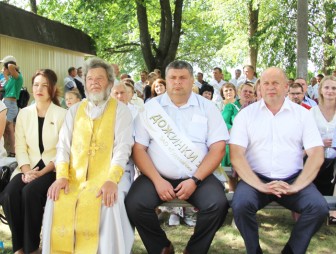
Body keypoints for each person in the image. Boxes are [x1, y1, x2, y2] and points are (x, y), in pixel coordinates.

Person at [125, 60, 229, 254]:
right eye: (173, 78)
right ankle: (162, 247)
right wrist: (157, 180)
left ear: (192, 81)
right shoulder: (150, 108)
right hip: (156, 177)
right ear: (167, 80)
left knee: (218, 204)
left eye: (183, 78)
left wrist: (195, 180)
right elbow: (139, 149)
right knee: (134, 203)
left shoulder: (207, 107)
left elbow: (218, 148)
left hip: (199, 176)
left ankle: (195, 250)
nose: (177, 82)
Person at [230, 67, 329, 254]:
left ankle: (291, 251)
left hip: (292, 179)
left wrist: (296, 186)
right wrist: (260, 186)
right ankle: (254, 251)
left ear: (286, 87)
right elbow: (236, 155)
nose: (270, 87)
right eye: (266, 83)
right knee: (241, 205)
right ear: (260, 88)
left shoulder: (303, 115)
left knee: (318, 208)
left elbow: (316, 154)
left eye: (275, 83)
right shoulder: (246, 115)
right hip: (255, 179)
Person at [42, 57, 134, 254]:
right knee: (56, 197)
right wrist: (61, 177)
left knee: (110, 202)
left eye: (100, 78)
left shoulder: (121, 111)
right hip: (75, 177)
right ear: (84, 83)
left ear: (109, 83)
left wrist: (111, 180)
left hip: (111, 174)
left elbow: (123, 148)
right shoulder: (75, 110)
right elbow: (63, 147)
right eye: (90, 79)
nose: (94, 83)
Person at [0, 69, 66, 254]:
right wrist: (27, 171)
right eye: (36, 84)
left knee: (30, 193)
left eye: (44, 85)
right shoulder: (24, 113)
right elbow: (20, 147)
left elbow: (63, 150)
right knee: (9, 194)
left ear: (52, 89)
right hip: (26, 166)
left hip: (51, 169)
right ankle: (19, 247)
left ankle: (31, 248)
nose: (39, 88)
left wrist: (40, 173)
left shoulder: (62, 115)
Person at [310, 76, 336, 209]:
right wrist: (320, 143)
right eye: (326, 87)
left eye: (334, 88)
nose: (330, 91)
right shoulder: (312, 112)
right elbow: (306, 137)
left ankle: (332, 216)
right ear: (320, 90)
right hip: (315, 157)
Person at [0, 56, 23, 157]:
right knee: (7, 129)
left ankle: (13, 151)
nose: (4, 69)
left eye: (5, 67)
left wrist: (8, 64)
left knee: (8, 128)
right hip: (5, 103)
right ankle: (10, 150)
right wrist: (5, 74)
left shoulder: (18, 77)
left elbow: (10, 65)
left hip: (11, 105)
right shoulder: (10, 79)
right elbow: (4, 89)